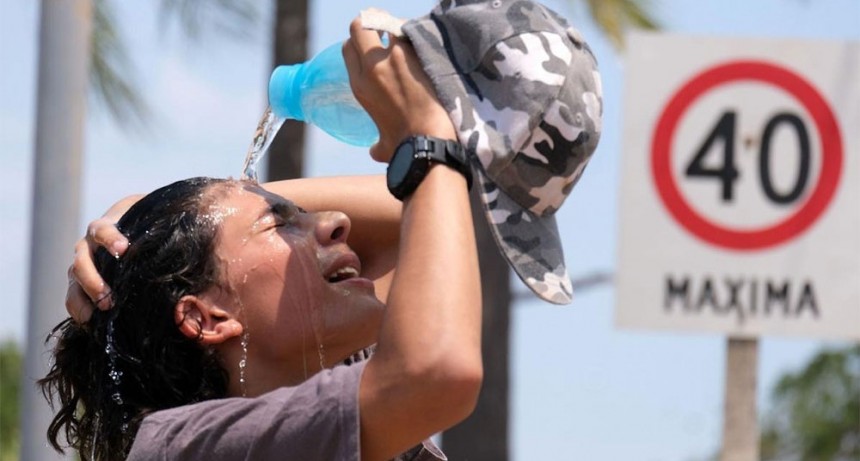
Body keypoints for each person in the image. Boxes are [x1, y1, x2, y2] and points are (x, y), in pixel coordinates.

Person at [42, 18, 481, 461]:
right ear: (205, 317)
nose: (338, 222)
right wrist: (427, 137)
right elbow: (437, 369)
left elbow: (428, 210)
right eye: (280, 224)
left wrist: (163, 205)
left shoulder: (323, 408)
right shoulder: (185, 446)